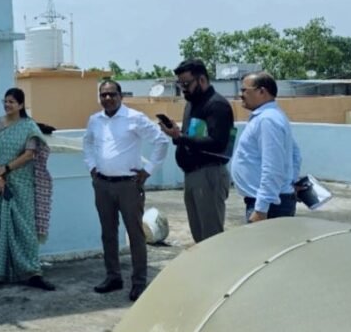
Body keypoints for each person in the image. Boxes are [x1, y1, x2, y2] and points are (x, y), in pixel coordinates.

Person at [82, 80, 169, 301]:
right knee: (108, 233)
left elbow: (161, 141)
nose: (108, 98)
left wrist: (148, 170)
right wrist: (92, 166)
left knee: (135, 234)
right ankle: (113, 277)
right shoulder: (95, 120)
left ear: (121, 96)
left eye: (112, 94)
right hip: (102, 184)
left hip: (129, 185)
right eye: (103, 95)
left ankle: (139, 282)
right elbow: (87, 143)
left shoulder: (134, 118)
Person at [158, 59, 235, 243]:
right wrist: (178, 135)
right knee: (199, 237)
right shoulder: (192, 104)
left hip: (208, 175)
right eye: (180, 85)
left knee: (211, 238)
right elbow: (193, 137)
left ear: (201, 80)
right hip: (193, 175)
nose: (183, 89)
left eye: (186, 84)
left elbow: (217, 143)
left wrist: (180, 137)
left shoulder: (216, 105)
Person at [0, 88, 55, 290]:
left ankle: (32, 272)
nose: (7, 105)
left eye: (12, 102)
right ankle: (0, 271)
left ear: (21, 105)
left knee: (25, 228)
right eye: (5, 101)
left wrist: (6, 169)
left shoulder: (29, 126)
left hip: (21, 182)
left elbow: (29, 154)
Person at [231, 72, 302, 223]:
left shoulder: (267, 120)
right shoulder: (272, 116)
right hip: (271, 201)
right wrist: (291, 182)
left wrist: (261, 209)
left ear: (262, 91)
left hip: (269, 206)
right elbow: (295, 154)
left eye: (244, 90)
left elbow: (272, 167)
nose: (241, 95)